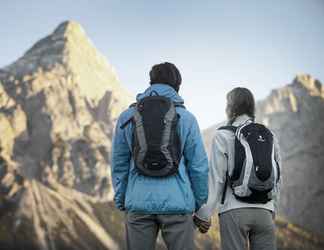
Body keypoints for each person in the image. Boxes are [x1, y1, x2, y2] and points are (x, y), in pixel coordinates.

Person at [111, 62, 209, 250]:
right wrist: (199, 204)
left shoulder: (128, 117)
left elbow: (119, 163)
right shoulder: (187, 118)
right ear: (178, 86)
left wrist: (122, 198)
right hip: (178, 205)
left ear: (150, 82)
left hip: (138, 204)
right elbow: (198, 167)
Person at [194, 87, 281, 250]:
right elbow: (278, 177)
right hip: (265, 212)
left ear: (231, 108)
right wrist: (272, 210)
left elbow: (217, 179)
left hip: (233, 211)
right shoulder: (269, 136)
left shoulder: (223, 135)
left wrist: (203, 215)